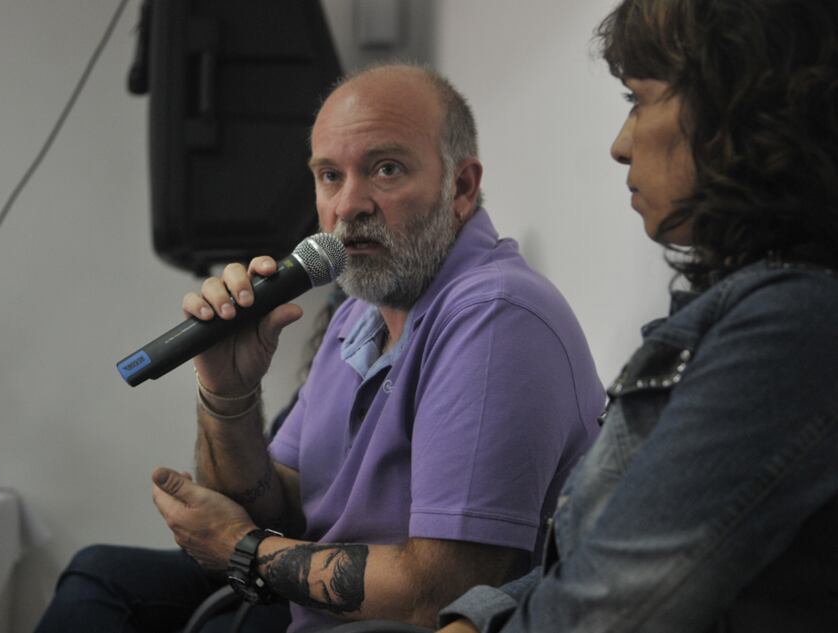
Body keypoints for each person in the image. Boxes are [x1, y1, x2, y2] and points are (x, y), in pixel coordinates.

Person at [147, 63, 605, 633]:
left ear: (460, 188)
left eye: (385, 170)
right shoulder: (356, 316)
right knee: (106, 577)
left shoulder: (494, 315)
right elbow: (280, 505)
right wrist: (227, 393)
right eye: (329, 176)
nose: (348, 206)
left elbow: (440, 592)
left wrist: (241, 549)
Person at [435, 1, 838, 632]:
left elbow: (605, 608)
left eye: (638, 99)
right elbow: (598, 556)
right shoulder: (751, 308)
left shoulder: (793, 326)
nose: (620, 146)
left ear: (740, 109)